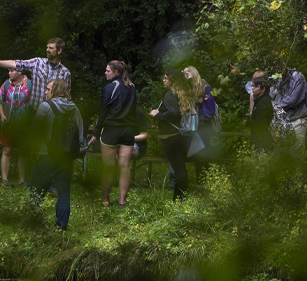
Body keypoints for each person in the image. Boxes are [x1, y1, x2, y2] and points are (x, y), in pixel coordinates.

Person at [26, 79, 83, 230]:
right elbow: (80, 135)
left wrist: (33, 150)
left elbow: (35, 133)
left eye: (48, 89)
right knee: (64, 192)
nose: (45, 92)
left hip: (47, 155)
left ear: (55, 91)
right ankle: (61, 227)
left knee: (35, 189)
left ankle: (35, 224)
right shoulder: (74, 108)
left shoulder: (45, 106)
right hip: (67, 158)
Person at [92, 60, 145, 207]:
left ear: (116, 72)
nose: (105, 73)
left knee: (108, 167)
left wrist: (96, 132)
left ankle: (105, 201)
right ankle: (122, 201)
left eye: (108, 70)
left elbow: (104, 112)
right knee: (124, 166)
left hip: (112, 130)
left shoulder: (110, 87)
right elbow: (133, 110)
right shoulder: (132, 86)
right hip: (127, 131)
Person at [0, 37, 72, 114]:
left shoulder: (65, 72)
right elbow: (16, 64)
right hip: (35, 112)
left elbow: (65, 97)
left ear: (59, 51)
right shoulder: (37, 63)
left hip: (54, 113)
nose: (47, 50)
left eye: (51, 48)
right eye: (47, 47)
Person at [149, 70, 198, 201]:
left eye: (166, 78)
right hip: (184, 134)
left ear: (173, 81)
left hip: (171, 136)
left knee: (178, 167)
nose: (163, 80)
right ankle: (181, 196)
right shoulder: (183, 93)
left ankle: (179, 199)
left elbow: (173, 111)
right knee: (180, 166)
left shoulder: (170, 94)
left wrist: (157, 115)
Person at [0, 69, 33, 187]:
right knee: (7, 151)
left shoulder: (30, 85)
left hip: (25, 125)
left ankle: (22, 180)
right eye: (8, 71)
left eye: (12, 71)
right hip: (9, 124)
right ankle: (4, 180)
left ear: (20, 72)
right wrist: (2, 115)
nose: (9, 73)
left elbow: (36, 102)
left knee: (23, 151)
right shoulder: (6, 84)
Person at [182, 65, 217, 183]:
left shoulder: (205, 87)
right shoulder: (189, 89)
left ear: (194, 71)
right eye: (184, 72)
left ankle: (209, 181)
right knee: (197, 153)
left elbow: (210, 110)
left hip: (204, 126)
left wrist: (200, 120)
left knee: (204, 153)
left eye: (188, 71)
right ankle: (200, 182)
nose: (186, 73)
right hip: (193, 126)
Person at [274, 68, 307, 152]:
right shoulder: (278, 79)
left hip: (298, 119)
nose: (277, 69)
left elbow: (293, 100)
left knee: (296, 153)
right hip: (286, 121)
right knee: (284, 154)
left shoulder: (297, 77)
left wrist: (278, 104)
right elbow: (275, 97)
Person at [249, 76, 274, 152]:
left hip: (263, 140)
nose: (253, 88)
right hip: (260, 139)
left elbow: (261, 123)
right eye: (253, 86)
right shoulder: (260, 100)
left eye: (256, 86)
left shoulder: (264, 102)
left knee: (261, 161)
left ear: (263, 89)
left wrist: (248, 122)